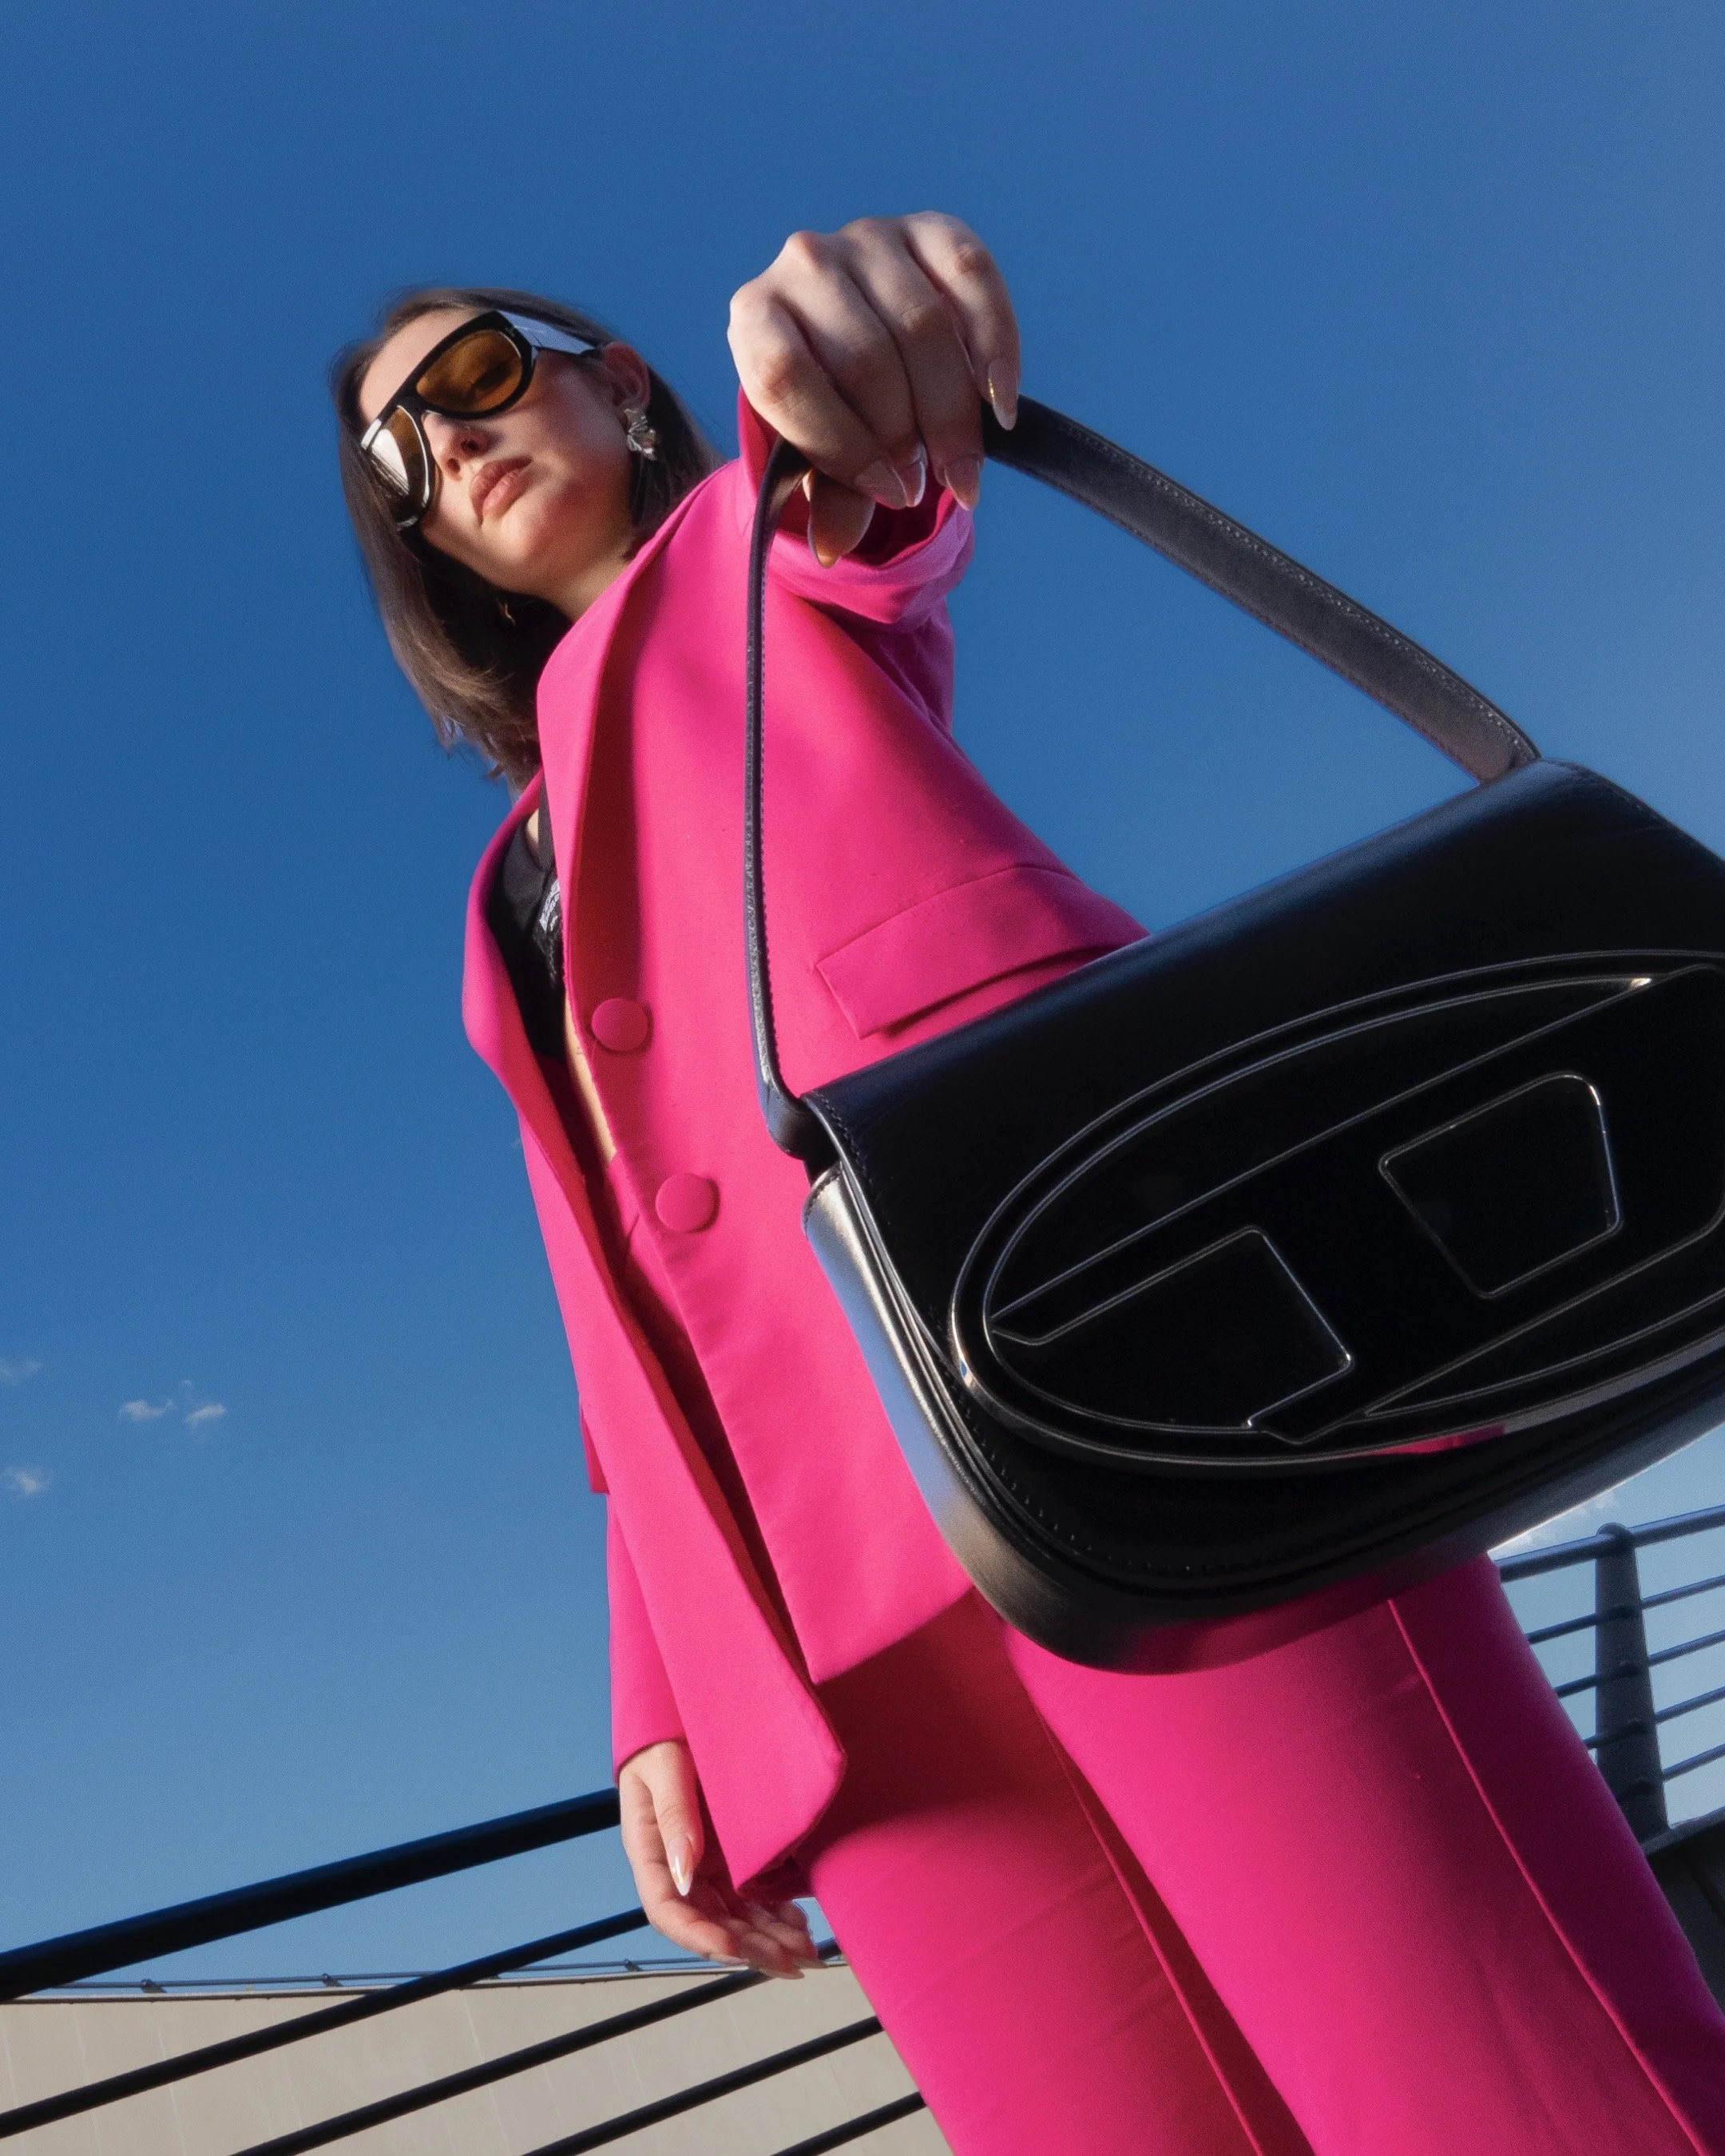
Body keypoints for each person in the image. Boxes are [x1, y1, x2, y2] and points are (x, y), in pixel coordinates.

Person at [332, 215, 1725, 2155]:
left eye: (480, 371)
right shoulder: (501, 899)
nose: (445, 443)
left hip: (1128, 1378)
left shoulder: (752, 552)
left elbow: (863, 497)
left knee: (1500, 2089)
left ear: (617, 382)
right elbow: (618, 1324)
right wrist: (661, 1695)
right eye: (400, 456)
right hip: (811, 1635)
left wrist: (835, 357)